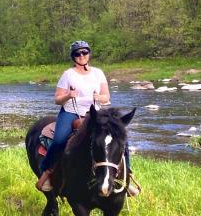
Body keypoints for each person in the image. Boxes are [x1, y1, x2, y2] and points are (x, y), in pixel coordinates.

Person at [36, 41, 138, 196]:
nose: (81, 56)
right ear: (73, 57)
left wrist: (100, 97)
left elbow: (106, 97)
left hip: (95, 113)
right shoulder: (68, 75)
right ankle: (47, 173)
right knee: (59, 140)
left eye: (84, 52)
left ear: (89, 54)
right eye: (78, 53)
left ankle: (127, 176)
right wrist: (68, 95)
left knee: (121, 137)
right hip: (71, 112)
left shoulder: (98, 73)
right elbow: (57, 99)